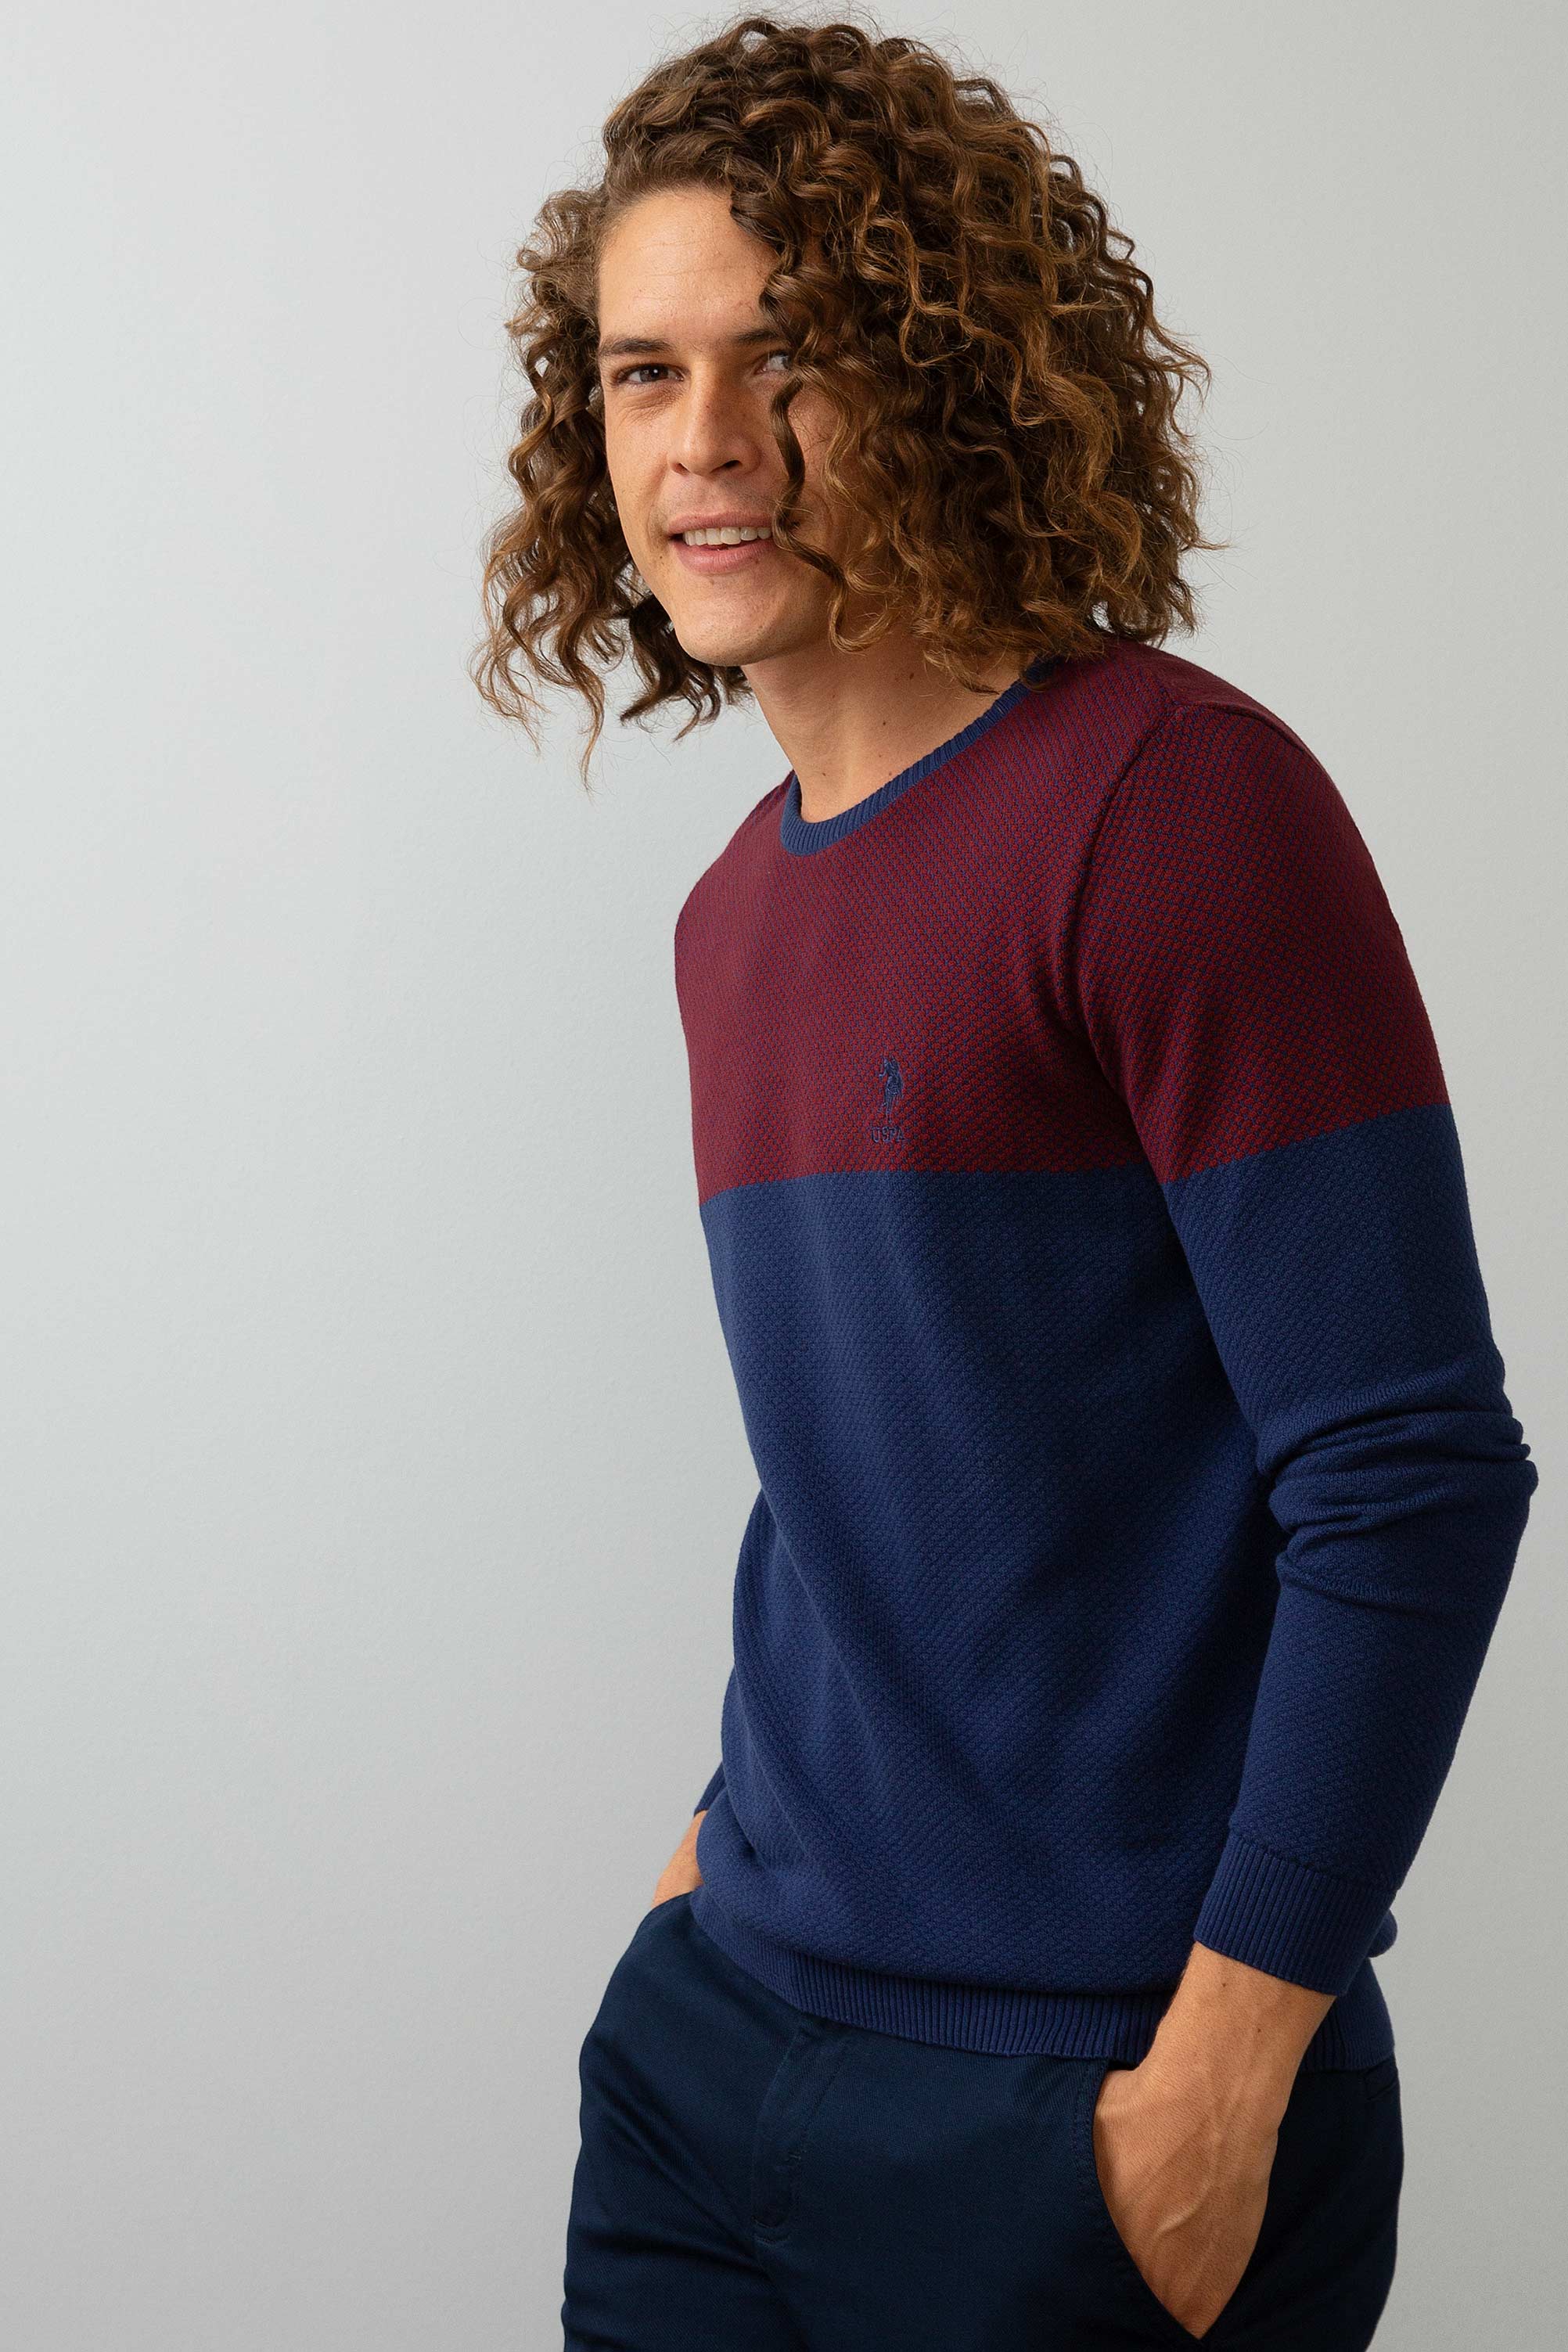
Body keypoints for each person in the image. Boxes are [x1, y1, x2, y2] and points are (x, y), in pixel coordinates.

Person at [473, 17, 1539, 2347]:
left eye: (788, 356)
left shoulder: (1171, 808)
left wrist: (1221, 2071)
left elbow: (1412, 1474)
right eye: (644, 374)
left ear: (946, 377)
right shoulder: (731, 918)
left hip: (1081, 2105)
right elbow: (880, 1477)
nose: (704, 440)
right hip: (718, 2043)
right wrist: (703, 1869)